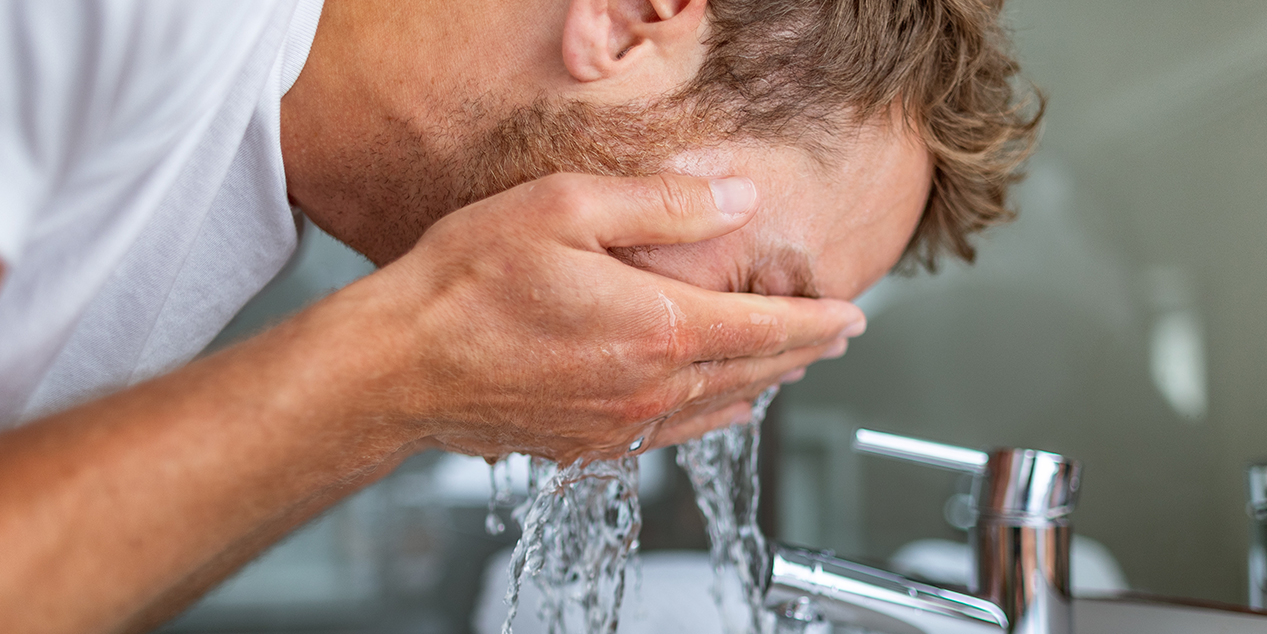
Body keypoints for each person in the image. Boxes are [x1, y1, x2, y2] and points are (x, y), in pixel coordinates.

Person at [0, 0, 1040, 632]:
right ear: (629, 18)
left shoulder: (251, 166)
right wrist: (400, 362)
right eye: (756, 295)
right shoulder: (119, 27)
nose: (735, 375)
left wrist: (410, 395)